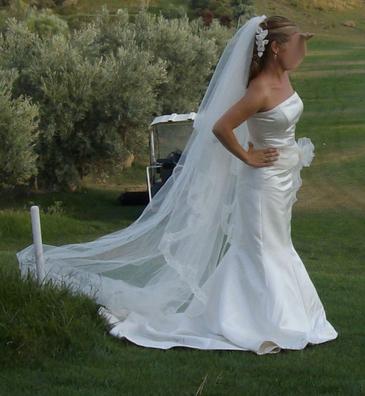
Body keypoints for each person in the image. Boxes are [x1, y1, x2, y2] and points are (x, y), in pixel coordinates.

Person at [16, 15, 338, 355]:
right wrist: (246, 156)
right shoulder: (259, 89)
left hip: (281, 181)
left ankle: (278, 315)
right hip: (261, 186)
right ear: (275, 48)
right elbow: (221, 127)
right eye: (296, 45)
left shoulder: (284, 78)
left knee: (276, 246)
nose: (302, 52)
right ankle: (261, 320)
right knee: (260, 249)